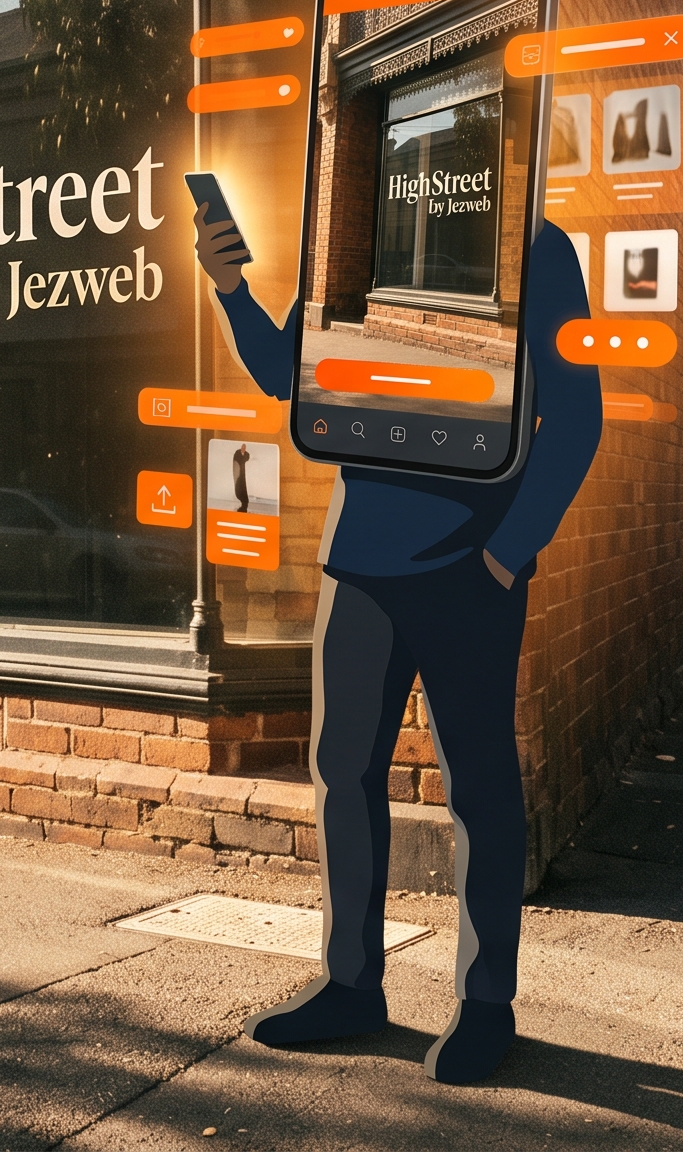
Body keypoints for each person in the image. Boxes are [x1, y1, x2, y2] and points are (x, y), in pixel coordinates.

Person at [196, 204, 601, 1086]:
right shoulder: (353, 242)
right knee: (343, 774)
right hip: (359, 563)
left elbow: (576, 416)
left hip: (472, 568)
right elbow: (285, 377)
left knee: (480, 788)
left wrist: (505, 554)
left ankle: (487, 1003)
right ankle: (351, 987)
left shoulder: (534, 247)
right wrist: (231, 286)